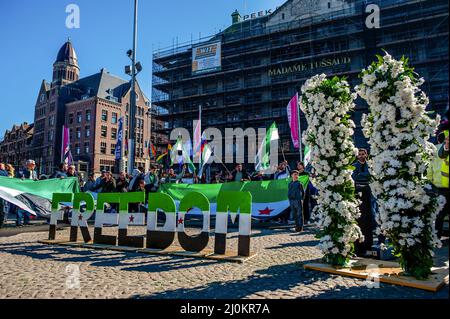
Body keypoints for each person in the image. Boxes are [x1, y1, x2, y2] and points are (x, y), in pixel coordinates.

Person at [433, 129, 449, 239]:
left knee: (440, 213)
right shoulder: (442, 150)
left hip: (438, 185)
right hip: (445, 184)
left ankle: (437, 236)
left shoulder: (433, 149)